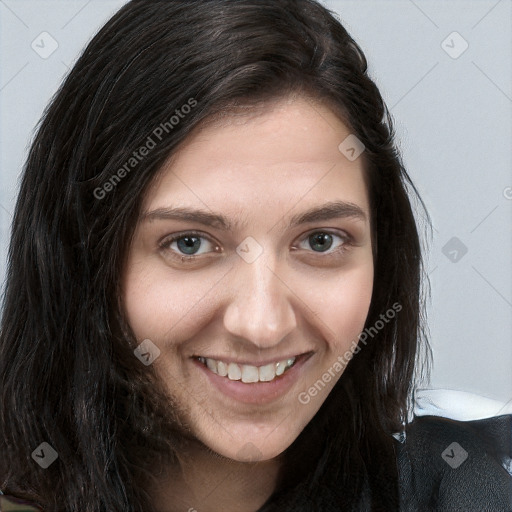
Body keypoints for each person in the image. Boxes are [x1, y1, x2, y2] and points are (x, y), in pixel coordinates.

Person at [0, 1, 510, 511]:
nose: (262, 326)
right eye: (190, 244)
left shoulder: (478, 477)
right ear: (82, 258)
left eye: (320, 241)